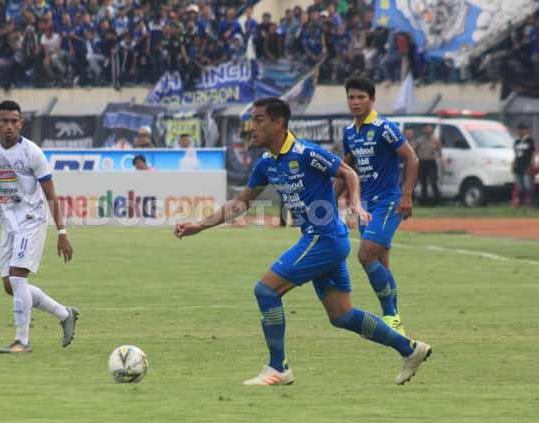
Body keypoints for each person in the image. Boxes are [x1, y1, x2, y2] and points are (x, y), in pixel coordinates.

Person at [174, 97, 431, 386]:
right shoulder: (266, 164)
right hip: (325, 241)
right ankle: (410, 349)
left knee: (266, 291)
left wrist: (356, 204)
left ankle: (278, 368)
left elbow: (348, 172)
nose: (252, 127)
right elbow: (241, 203)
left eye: (259, 120)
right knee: (342, 315)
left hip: (325, 239)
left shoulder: (306, 152)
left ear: (279, 123)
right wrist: (200, 224)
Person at [0, 100, 78, 354]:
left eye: (14, 121)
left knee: (18, 277)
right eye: (4, 121)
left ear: (21, 123)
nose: (9, 126)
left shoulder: (32, 153)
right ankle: (65, 314)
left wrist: (62, 232)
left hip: (31, 221)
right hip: (9, 224)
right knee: (10, 285)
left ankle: (22, 341)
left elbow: (51, 194)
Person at [339, 77, 419, 335]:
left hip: (388, 202)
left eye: (361, 97)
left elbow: (412, 159)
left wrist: (406, 195)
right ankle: (393, 319)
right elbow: (345, 170)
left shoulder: (385, 127)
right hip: (365, 206)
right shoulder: (349, 132)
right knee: (380, 263)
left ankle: (391, 315)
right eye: (351, 97)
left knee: (365, 255)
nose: (356, 102)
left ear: (372, 99)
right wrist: (327, 203)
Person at [413, 124, 442, 206]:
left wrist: (437, 156)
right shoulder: (419, 140)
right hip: (422, 162)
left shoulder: (435, 140)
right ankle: (424, 201)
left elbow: (439, 151)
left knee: (433, 181)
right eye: (427, 129)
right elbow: (414, 151)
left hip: (431, 162)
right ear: (423, 130)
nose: (429, 131)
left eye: (430, 129)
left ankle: (437, 201)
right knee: (423, 182)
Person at [512, 123, 535, 207]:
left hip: (526, 165)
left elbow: (532, 153)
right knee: (519, 186)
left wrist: (531, 165)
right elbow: (516, 153)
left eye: (523, 129)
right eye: (519, 129)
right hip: (518, 165)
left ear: (526, 130)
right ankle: (520, 202)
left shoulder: (529, 140)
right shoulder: (517, 141)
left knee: (527, 185)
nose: (521, 131)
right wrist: (514, 163)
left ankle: (529, 201)